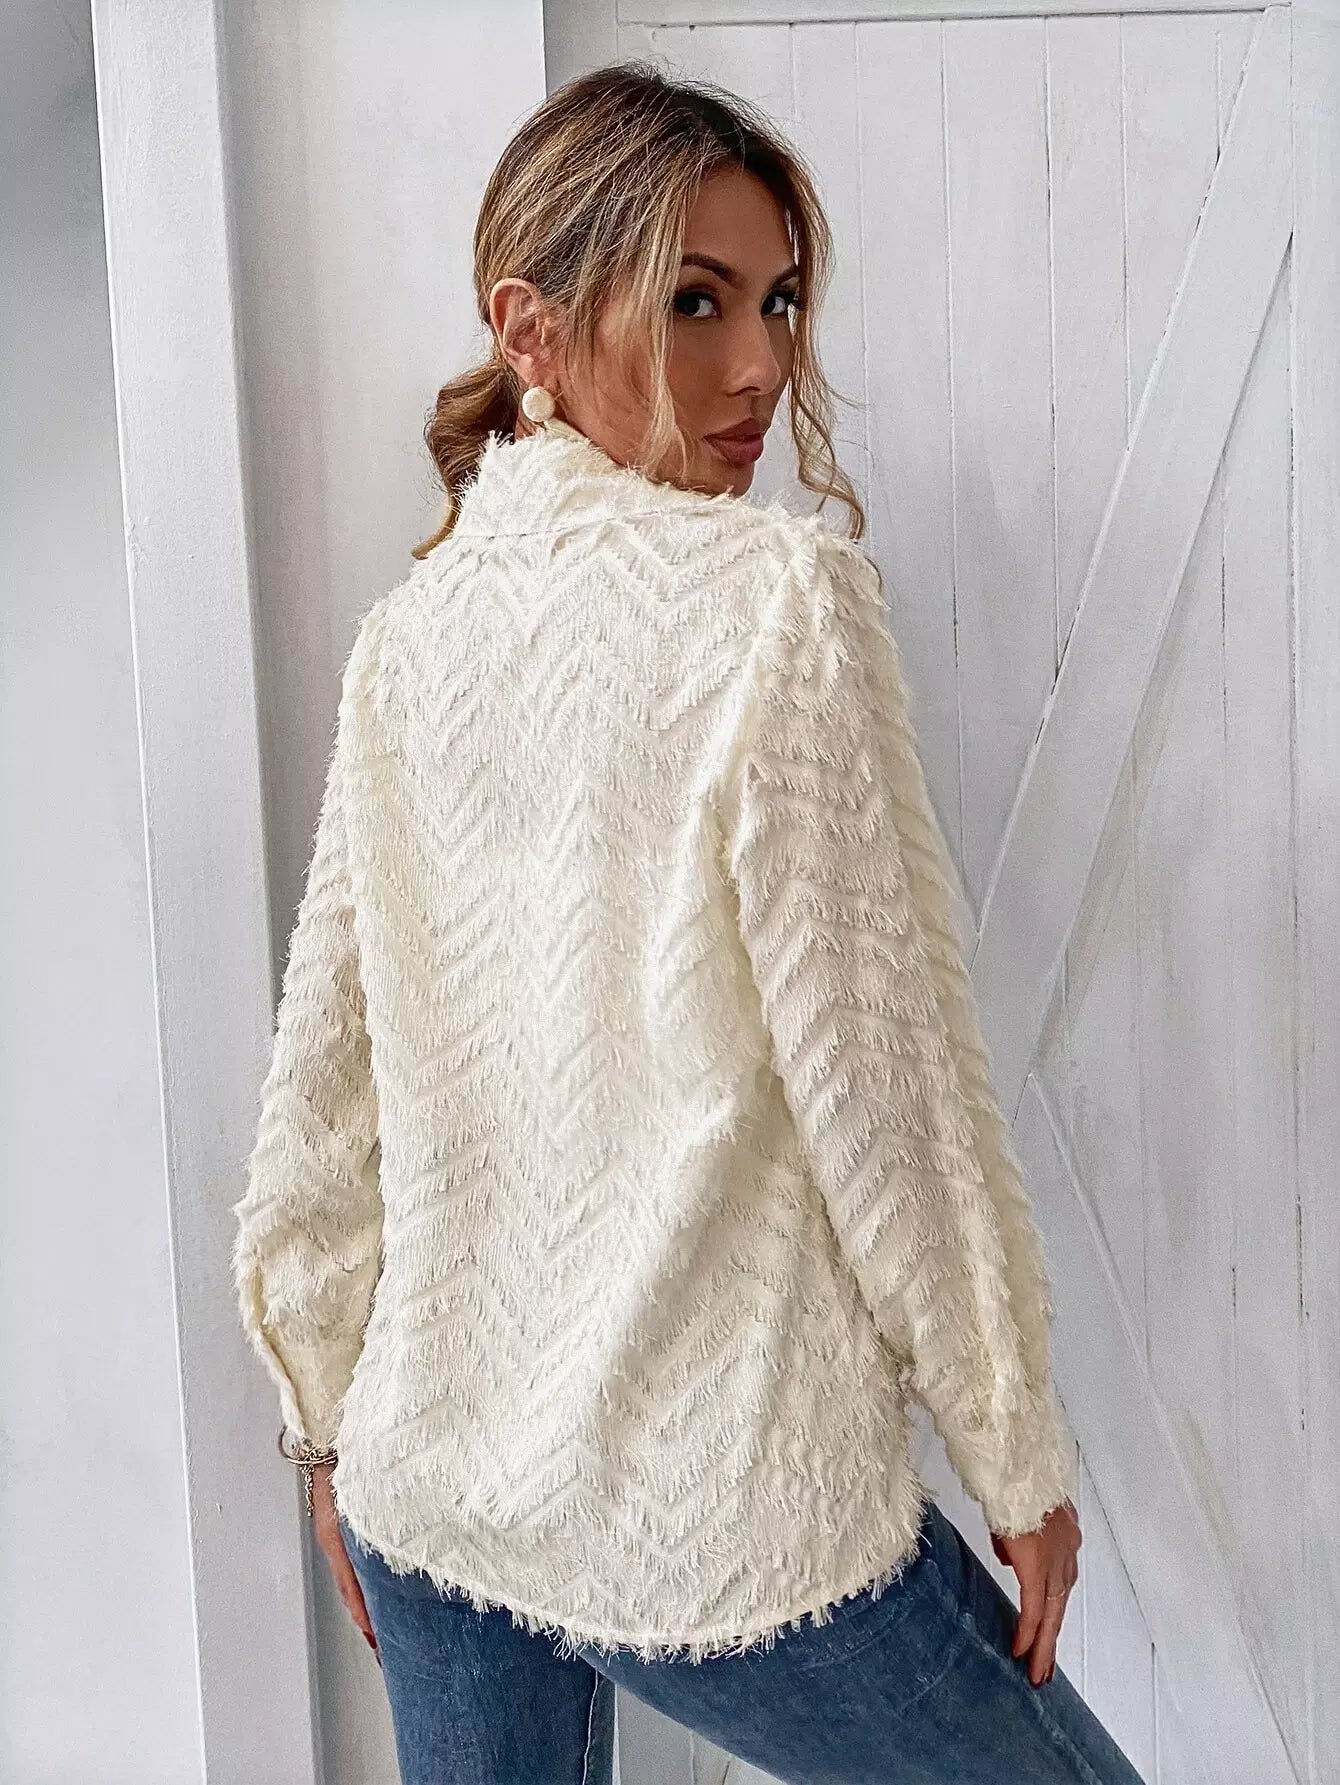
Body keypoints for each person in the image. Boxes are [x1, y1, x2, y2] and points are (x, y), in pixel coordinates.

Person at [231, 58, 1147, 1785]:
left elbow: (316, 1120)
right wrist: (1013, 1446)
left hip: (436, 1496)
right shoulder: (773, 608)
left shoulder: (409, 641)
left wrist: (328, 1435)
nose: (759, 367)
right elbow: (892, 1093)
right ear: (532, 328)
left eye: (779, 300)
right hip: (727, 1514)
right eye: (697, 300)